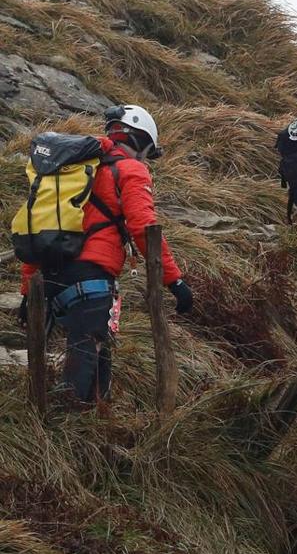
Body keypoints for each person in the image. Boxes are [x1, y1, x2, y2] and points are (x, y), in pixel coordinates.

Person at [18, 104, 192, 405]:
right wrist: (174, 281)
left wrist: (27, 290)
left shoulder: (72, 169)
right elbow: (144, 227)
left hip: (52, 276)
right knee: (85, 358)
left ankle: (90, 428)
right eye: (147, 151)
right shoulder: (130, 169)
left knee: (94, 357)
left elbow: (41, 226)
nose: (145, 158)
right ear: (140, 141)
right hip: (92, 278)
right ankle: (65, 434)